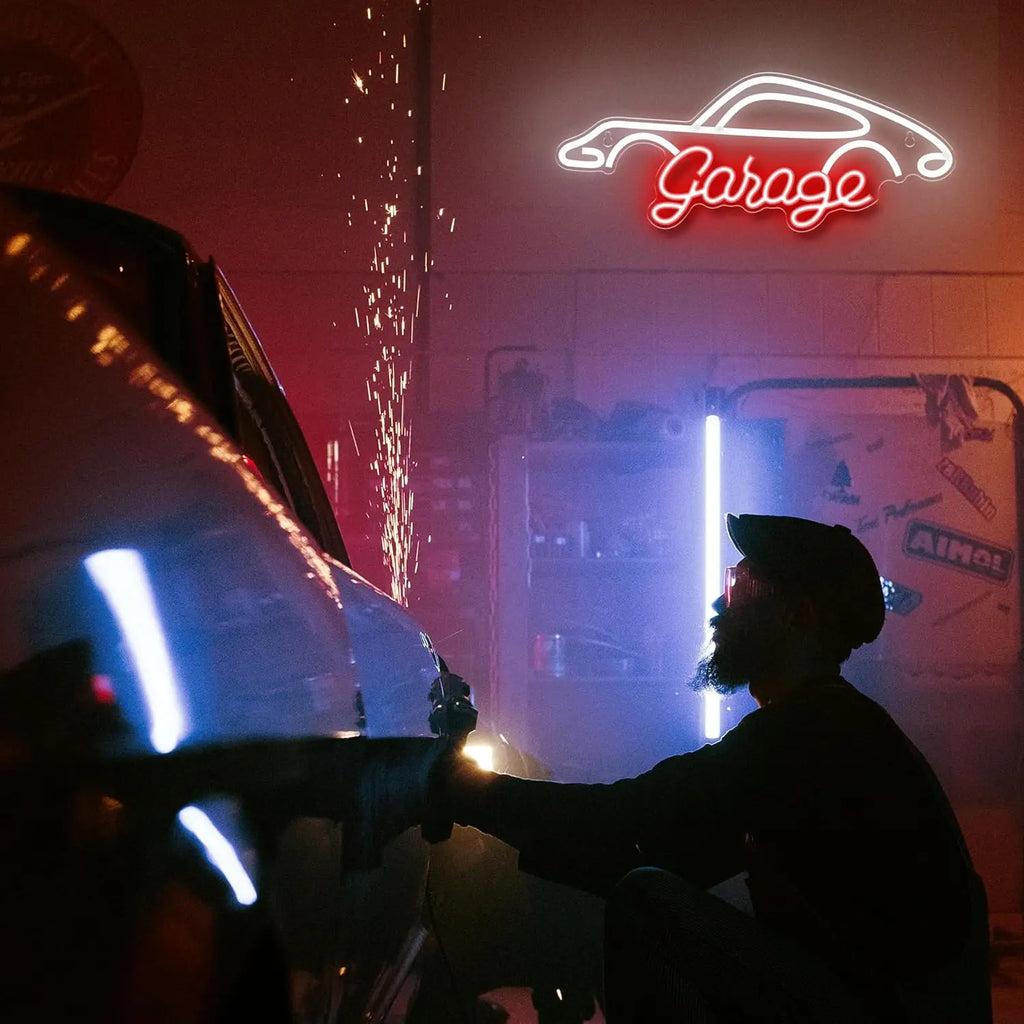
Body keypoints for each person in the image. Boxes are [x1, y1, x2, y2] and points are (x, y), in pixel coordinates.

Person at [424, 514, 992, 1022]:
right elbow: (666, 848)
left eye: (738, 586)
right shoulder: (833, 724)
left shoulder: (810, 734)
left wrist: (467, 792)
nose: (720, 605)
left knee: (650, 904)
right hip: (875, 997)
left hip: (877, 1008)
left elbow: (635, 820)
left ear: (795, 615)